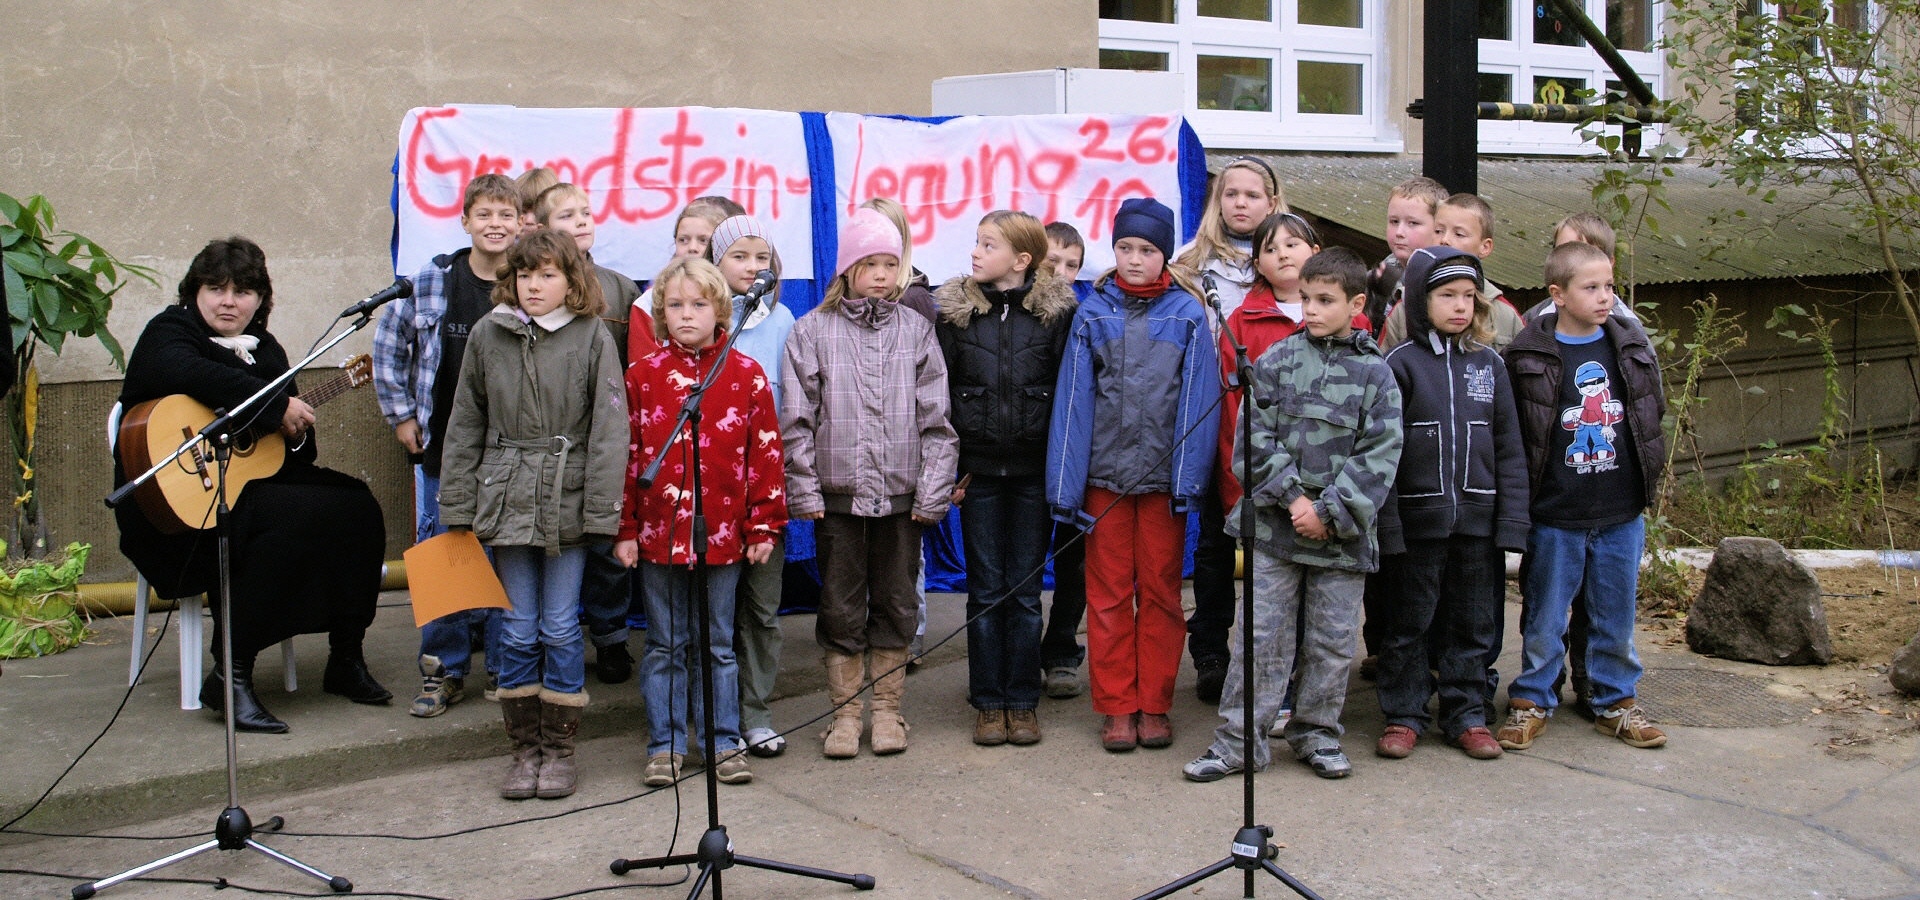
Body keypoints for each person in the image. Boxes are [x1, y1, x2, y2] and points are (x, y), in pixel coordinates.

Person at [114, 236, 389, 734]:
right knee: (286, 520)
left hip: (245, 491)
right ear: (194, 291)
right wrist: (272, 405)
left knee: (357, 505)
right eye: (215, 288)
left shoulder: (266, 350)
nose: (228, 301)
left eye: (243, 292)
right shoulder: (170, 332)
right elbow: (184, 370)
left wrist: (296, 429)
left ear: (260, 300)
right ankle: (230, 674)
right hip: (172, 514)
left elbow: (291, 458)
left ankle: (345, 657)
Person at [1182, 247, 1401, 782]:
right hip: (1278, 532)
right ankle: (1237, 741)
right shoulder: (1277, 362)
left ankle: (1317, 733)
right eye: (1306, 299)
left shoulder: (1377, 376)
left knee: (1330, 642)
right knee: (1261, 638)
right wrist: (1296, 501)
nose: (1312, 310)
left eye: (1325, 301)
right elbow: (1251, 442)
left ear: (1355, 304)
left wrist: (1330, 511)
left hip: (1340, 539)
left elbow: (1380, 456)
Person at [439, 230, 628, 799]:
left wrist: (601, 511)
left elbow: (608, 430)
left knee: (561, 625)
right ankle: (524, 752)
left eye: (547, 275)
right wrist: (458, 504)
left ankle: (560, 751)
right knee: (517, 629)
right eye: (525, 275)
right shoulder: (486, 334)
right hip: (505, 494)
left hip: (567, 497)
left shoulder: (593, 336)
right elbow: (465, 422)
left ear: (572, 281)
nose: (534, 286)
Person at [782, 208, 957, 759]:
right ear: (846, 270)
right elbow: (796, 419)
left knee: (897, 603)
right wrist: (806, 490)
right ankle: (843, 717)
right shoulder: (812, 331)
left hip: (903, 503)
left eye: (890, 263)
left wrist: (932, 492)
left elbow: (938, 422)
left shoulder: (917, 330)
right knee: (839, 605)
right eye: (869, 263)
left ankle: (886, 712)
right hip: (838, 501)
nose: (881, 274)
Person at [1047, 197, 1219, 754]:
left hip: (1163, 486)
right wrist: (1066, 486)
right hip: (1105, 483)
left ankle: (1156, 702)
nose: (1135, 259)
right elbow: (1073, 403)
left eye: (1147, 250)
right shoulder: (1092, 313)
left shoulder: (1188, 314)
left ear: (1164, 254)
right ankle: (1119, 706)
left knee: (1165, 594)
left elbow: (1199, 402)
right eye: (1125, 248)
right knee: (1108, 594)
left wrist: (1188, 481)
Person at [616, 257, 785, 788]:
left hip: (724, 532)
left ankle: (722, 739)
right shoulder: (642, 377)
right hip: (659, 533)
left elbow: (765, 455)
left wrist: (763, 527)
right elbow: (628, 454)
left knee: (717, 642)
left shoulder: (746, 375)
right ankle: (665, 744)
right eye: (675, 305)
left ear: (721, 311)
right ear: (660, 313)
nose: (687, 314)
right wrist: (624, 528)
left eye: (699, 304)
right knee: (666, 643)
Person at [1498, 240, 1669, 751]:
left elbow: (1648, 414)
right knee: (1546, 616)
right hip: (1556, 513)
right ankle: (1531, 700)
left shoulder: (1630, 344)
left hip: (1619, 510)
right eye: (1590, 288)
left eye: (1609, 287)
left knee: (1615, 614)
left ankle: (1615, 701)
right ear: (1558, 295)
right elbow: (1515, 435)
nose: (1605, 298)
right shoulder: (1528, 354)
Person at [1373, 247, 1530, 762]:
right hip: (1418, 526)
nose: (1460, 306)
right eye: (1447, 296)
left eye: (1469, 296)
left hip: (1477, 526)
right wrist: (1389, 525)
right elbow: (1382, 453)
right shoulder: (1398, 366)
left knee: (1474, 622)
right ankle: (1405, 713)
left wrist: (1511, 523)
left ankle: (1466, 713)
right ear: (1420, 300)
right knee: (1408, 622)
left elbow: (1508, 446)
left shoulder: (1490, 365)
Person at [372, 173, 519, 718]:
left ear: (521, 223)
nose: (496, 225)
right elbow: (389, 346)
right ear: (466, 222)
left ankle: (508, 670)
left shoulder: (527, 284)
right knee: (445, 557)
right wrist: (401, 416)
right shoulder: (433, 281)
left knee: (507, 560)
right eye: (485, 215)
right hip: (442, 449)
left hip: (509, 451)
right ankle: (443, 670)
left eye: (506, 215)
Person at [935, 210, 1076, 747]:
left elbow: (1068, 395)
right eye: (975, 241)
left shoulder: (1057, 315)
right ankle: (988, 702)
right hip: (978, 476)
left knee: (1022, 590)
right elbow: (941, 398)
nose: (974, 252)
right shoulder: (954, 316)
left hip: (1033, 475)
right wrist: (948, 470)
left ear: (1021, 260)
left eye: (987, 244)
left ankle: (1022, 699)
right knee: (984, 590)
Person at [1173, 159, 1283, 704]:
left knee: (1272, 546)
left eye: (1253, 195)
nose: (1241, 204)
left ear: (1272, 203)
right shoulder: (1187, 268)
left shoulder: (1285, 263)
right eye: (1231, 194)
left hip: (1274, 420)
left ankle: (1266, 656)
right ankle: (1211, 651)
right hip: (1211, 413)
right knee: (1216, 542)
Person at [537, 182, 643, 686]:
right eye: (566, 215)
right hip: (548, 434)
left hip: (604, 437)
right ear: (540, 228)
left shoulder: (621, 289)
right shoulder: (531, 286)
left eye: (585, 212)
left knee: (604, 541)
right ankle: (546, 640)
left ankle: (610, 638)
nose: (581, 221)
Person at [706, 214, 799, 757]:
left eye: (761, 258)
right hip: (707, 490)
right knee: (713, 614)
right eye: (739, 256)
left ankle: (756, 715)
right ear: (717, 262)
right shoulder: (701, 319)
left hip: (763, 489)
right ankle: (714, 719)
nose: (751, 267)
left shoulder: (784, 320)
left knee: (761, 609)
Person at [1357, 175, 1449, 682]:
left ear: (1438, 228)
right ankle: (1379, 642)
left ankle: (1426, 649)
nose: (1399, 232)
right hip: (1380, 406)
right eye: (1394, 221)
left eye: (1413, 223)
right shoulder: (1381, 275)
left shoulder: (1446, 277)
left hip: (1427, 415)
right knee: (1383, 545)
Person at [1038, 220, 1090, 700]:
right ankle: (1016, 653)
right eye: (1053, 260)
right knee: (1026, 563)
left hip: (1074, 456)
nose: (1062, 271)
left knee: (1075, 561)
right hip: (1028, 456)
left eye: (1072, 265)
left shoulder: (1084, 316)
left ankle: (1060, 650)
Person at [1379, 193, 1525, 351]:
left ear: (1485, 247)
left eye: (1459, 234)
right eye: (1438, 231)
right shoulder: (1405, 307)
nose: (1444, 240)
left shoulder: (1504, 314)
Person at [632, 196, 746, 364]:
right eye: (683, 240)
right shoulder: (647, 305)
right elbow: (642, 374)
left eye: (703, 240)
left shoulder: (743, 302)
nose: (692, 248)